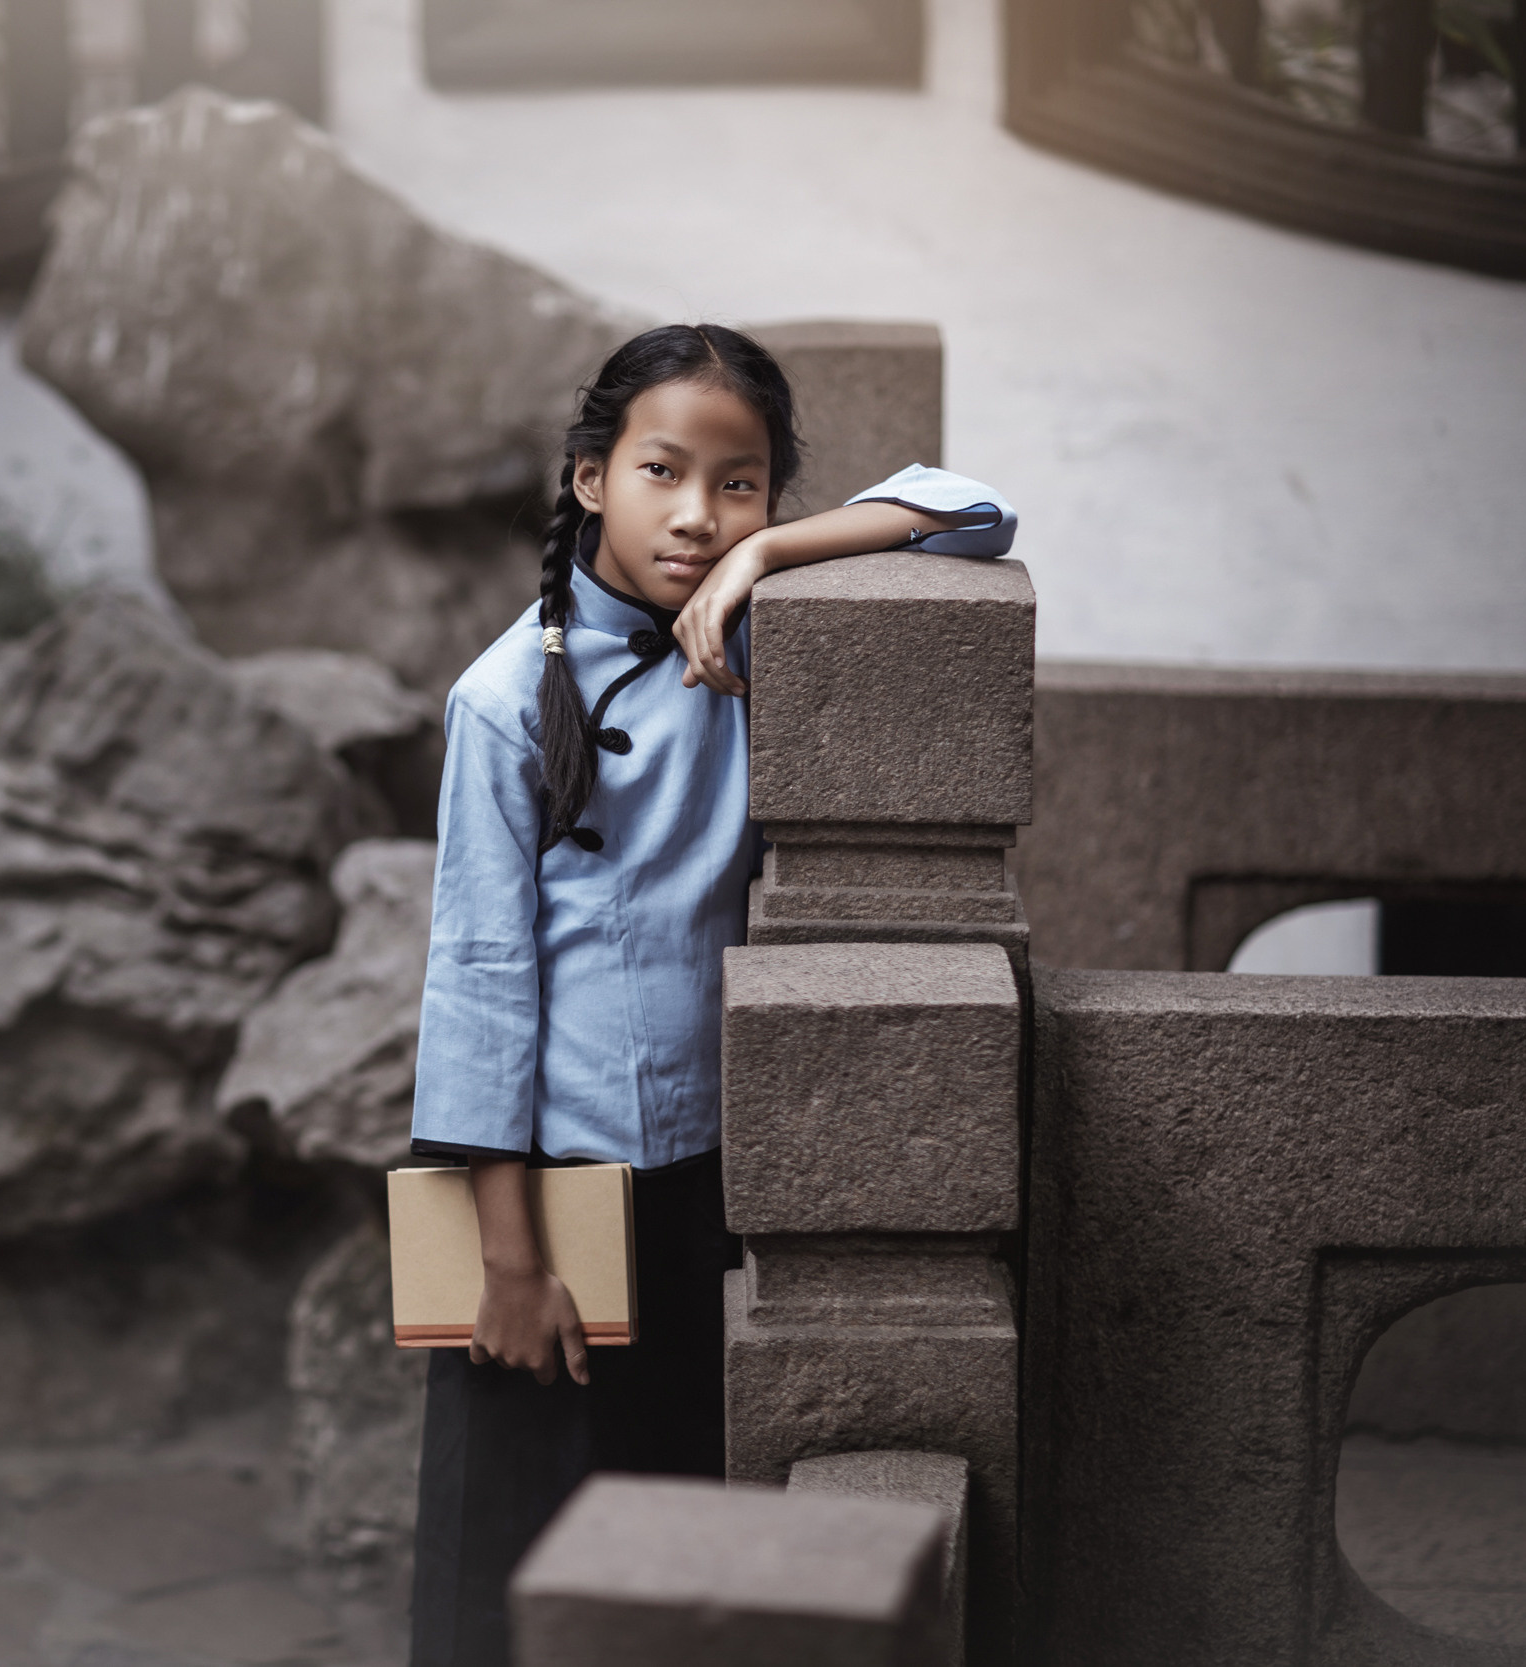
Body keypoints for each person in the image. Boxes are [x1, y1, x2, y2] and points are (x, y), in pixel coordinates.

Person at [405, 323, 1016, 1667]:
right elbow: (480, 981)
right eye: (661, 472)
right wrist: (509, 1262)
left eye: (737, 485)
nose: (695, 514)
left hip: (716, 1175)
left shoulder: (745, 640)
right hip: (555, 1196)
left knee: (685, 1538)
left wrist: (766, 559)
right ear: (589, 479)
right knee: (513, 1555)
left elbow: (975, 510)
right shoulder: (503, 699)